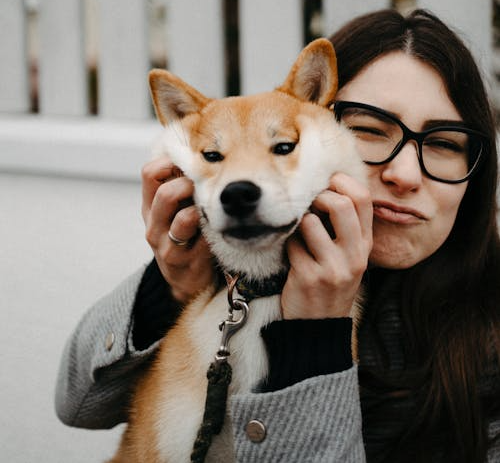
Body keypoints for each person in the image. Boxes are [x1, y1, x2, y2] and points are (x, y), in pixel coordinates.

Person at [55, 9, 500, 463]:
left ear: (476, 173)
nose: (404, 174)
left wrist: (315, 340)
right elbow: (78, 405)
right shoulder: (240, 265)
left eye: (445, 143)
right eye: (368, 130)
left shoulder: (487, 338)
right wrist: (167, 286)